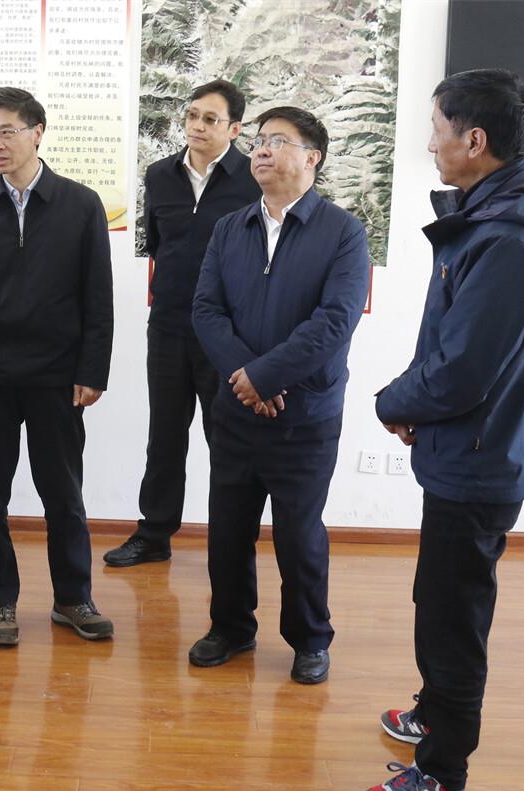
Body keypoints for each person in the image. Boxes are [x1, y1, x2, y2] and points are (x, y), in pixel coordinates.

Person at [361, 68, 524, 791]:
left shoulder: (508, 237)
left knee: (453, 618)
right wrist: (421, 401)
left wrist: (396, 401)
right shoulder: (494, 216)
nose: (430, 144)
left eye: (437, 129)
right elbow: (454, 346)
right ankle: (434, 712)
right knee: (439, 598)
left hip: (479, 457)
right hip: (468, 446)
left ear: (474, 140)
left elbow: (462, 370)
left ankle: (442, 774)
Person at [190, 106, 369, 683]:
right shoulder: (230, 227)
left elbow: (335, 321)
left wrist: (265, 377)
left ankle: (310, 639)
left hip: (305, 413)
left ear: (312, 157)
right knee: (227, 529)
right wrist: (247, 378)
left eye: (278, 140)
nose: (261, 150)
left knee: (299, 536)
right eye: (259, 140)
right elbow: (206, 310)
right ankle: (230, 628)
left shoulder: (343, 232)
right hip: (235, 410)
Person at [0, 87, 114, 647]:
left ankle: (73, 598)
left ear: (37, 132)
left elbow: (98, 296)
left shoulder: (81, 205)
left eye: (7, 131)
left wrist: (93, 370)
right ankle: (0, 602)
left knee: (63, 494)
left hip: (55, 376)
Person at [105, 79, 261, 568]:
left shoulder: (252, 179)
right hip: (169, 324)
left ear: (234, 129)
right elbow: (158, 244)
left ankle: (231, 542)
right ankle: (154, 534)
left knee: (227, 438)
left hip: (228, 332)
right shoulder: (160, 175)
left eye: (211, 119)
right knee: (165, 435)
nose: (197, 126)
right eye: (192, 115)